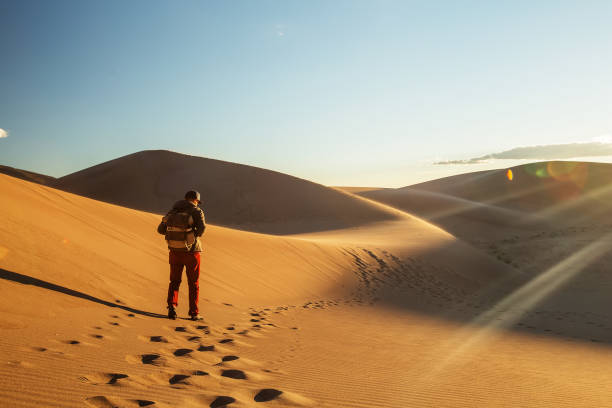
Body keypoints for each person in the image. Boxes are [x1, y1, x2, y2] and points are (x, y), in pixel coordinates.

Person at [157, 190, 206, 320]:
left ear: (185, 198)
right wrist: (190, 235)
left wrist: (176, 234)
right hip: (192, 252)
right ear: (195, 200)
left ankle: (171, 307)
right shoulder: (197, 211)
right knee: (193, 283)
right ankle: (194, 313)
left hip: (174, 251)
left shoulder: (173, 211)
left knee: (174, 281)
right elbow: (201, 230)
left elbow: (161, 230)